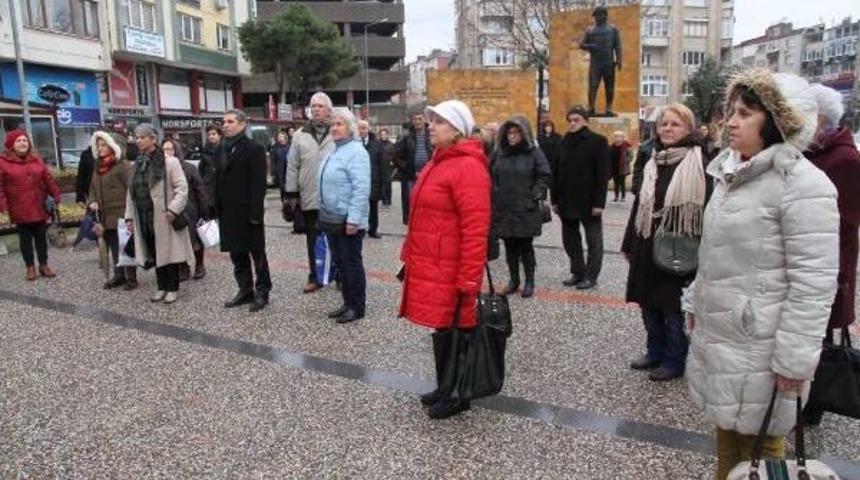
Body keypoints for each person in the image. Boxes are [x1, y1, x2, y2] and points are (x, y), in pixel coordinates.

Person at [682, 70, 838, 480]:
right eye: (731, 111)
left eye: (745, 113)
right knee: (726, 435)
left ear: (777, 122)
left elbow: (814, 283)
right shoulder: (732, 174)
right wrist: (695, 299)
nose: (730, 121)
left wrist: (794, 359)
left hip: (764, 347)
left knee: (763, 452)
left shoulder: (803, 184)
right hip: (724, 336)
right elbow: (716, 253)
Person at [399, 100, 491, 420]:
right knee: (444, 328)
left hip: (452, 266)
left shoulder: (467, 166)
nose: (430, 126)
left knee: (457, 329)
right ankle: (444, 385)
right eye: (431, 121)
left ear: (456, 130)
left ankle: (457, 395)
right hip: (436, 262)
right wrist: (408, 254)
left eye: (438, 122)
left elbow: (476, 228)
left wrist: (469, 278)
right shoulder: (440, 161)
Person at [621, 104, 709, 382]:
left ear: (688, 128)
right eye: (664, 124)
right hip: (647, 244)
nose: (668, 129)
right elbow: (640, 205)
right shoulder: (653, 159)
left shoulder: (700, 162)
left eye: (675, 124)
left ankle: (674, 360)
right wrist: (629, 243)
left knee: (673, 309)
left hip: (679, 247)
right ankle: (654, 351)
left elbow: (706, 208)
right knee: (648, 303)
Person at [801, 84, 860, 425]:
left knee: (818, 337)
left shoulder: (845, 159)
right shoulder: (815, 151)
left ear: (820, 119)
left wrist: (830, 271)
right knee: (810, 335)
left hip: (828, 267)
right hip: (813, 261)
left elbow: (846, 223)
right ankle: (807, 397)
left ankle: (815, 402)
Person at [124, 124, 196, 304]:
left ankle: (172, 288)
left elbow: (182, 188)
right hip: (143, 215)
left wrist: (173, 209)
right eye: (136, 137)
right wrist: (129, 217)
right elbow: (130, 192)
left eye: (142, 137)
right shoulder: (137, 163)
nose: (138, 140)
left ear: (153, 139)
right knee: (154, 251)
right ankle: (161, 286)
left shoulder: (169, 162)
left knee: (168, 253)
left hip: (164, 215)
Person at [491, 115, 552, 298]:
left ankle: (529, 280)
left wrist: (535, 194)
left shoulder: (534, 153)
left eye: (516, 132)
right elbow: (489, 172)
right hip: (505, 207)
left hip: (526, 207)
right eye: (509, 132)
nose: (512, 136)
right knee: (509, 246)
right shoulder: (500, 152)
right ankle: (514, 280)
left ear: (524, 133)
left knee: (526, 246)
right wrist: (495, 193)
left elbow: (544, 174)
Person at [217, 110, 272, 312]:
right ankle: (245, 289)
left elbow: (259, 185)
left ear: (242, 124)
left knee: (257, 255)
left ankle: (263, 291)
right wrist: (215, 207)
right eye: (223, 122)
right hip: (228, 212)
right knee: (237, 255)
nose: (225, 125)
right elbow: (217, 180)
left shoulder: (254, 148)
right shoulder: (221, 149)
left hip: (248, 212)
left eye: (230, 121)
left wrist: (256, 214)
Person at [319, 110, 371, 323]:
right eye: (333, 124)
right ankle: (347, 302)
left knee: (351, 264)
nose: (334, 128)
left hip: (348, 220)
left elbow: (361, 189)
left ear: (350, 128)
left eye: (339, 124)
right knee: (340, 263)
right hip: (332, 218)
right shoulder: (334, 150)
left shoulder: (356, 152)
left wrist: (354, 219)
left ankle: (357, 306)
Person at [550, 106, 609, 290]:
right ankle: (578, 272)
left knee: (593, 240)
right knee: (570, 240)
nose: (573, 123)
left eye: (576, 120)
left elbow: (603, 175)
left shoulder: (598, 141)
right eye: (570, 120)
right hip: (566, 200)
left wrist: (599, 203)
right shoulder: (563, 142)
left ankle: (591, 276)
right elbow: (556, 172)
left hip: (589, 201)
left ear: (585, 121)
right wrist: (554, 199)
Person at [285, 92, 336, 293]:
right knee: (312, 239)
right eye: (313, 106)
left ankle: (339, 275)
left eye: (320, 106)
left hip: (334, 197)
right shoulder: (299, 135)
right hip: (310, 196)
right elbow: (292, 166)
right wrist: (291, 194)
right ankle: (314, 275)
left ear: (329, 110)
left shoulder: (339, 131)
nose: (315, 109)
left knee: (337, 238)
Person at [0, 130, 61, 281]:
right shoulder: (3, 162)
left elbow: (48, 179)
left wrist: (56, 195)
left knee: (41, 238)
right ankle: (30, 267)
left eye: (25, 140)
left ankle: (44, 265)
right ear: (11, 145)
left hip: (38, 206)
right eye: (19, 141)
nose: (23, 143)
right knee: (25, 240)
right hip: (19, 208)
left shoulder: (36, 160)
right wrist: (3, 206)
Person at [87, 131, 136, 289]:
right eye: (98, 145)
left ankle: (131, 277)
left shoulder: (123, 166)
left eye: (103, 145)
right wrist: (92, 201)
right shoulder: (98, 167)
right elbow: (93, 188)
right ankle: (119, 274)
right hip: (105, 215)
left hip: (121, 213)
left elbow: (131, 189)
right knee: (114, 246)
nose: (100, 148)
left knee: (126, 245)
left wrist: (131, 214)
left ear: (112, 146)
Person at [162, 138, 210, 281]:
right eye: (164, 149)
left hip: (191, 209)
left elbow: (200, 190)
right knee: (178, 240)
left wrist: (204, 211)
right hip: (172, 210)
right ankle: (183, 267)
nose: (167, 152)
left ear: (176, 150)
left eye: (169, 149)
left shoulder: (189, 168)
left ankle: (199, 265)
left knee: (195, 239)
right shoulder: (161, 169)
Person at [394, 112, 433, 225]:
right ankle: (410, 220)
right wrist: (407, 169)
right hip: (411, 175)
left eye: (420, 119)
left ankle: (425, 220)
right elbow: (395, 155)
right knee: (410, 199)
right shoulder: (406, 136)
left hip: (428, 174)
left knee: (427, 198)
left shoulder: (431, 134)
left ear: (424, 120)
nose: (417, 122)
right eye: (415, 119)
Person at [358, 120, 385, 238]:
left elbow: (382, 164)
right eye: (359, 128)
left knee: (373, 207)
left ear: (368, 129)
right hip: (358, 181)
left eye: (364, 128)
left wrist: (382, 184)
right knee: (359, 206)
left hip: (373, 180)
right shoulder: (353, 143)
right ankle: (360, 229)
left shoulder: (377, 144)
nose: (361, 131)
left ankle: (373, 229)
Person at [198, 124, 222, 218]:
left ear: (219, 135)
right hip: (209, 190)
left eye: (214, 134)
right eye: (209, 134)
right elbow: (201, 172)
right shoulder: (205, 152)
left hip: (223, 190)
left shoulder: (226, 150)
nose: (211, 136)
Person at [609, 130, 633, 202]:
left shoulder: (626, 146)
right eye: (616, 136)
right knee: (616, 183)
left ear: (622, 138)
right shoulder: (612, 146)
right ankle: (616, 197)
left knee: (622, 183)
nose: (617, 138)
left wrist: (625, 161)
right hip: (614, 167)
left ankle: (623, 197)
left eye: (619, 136)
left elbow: (631, 156)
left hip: (622, 168)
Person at [378, 128, 395, 207]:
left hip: (388, 167)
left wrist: (392, 161)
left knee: (388, 184)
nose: (383, 136)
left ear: (387, 135)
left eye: (385, 134)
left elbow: (394, 155)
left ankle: (388, 201)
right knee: (382, 184)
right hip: (380, 167)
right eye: (382, 135)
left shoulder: (391, 145)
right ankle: (383, 200)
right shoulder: (378, 144)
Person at [76, 140, 95, 204]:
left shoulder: (110, 156)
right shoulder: (86, 155)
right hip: (91, 191)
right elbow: (81, 176)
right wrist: (80, 197)